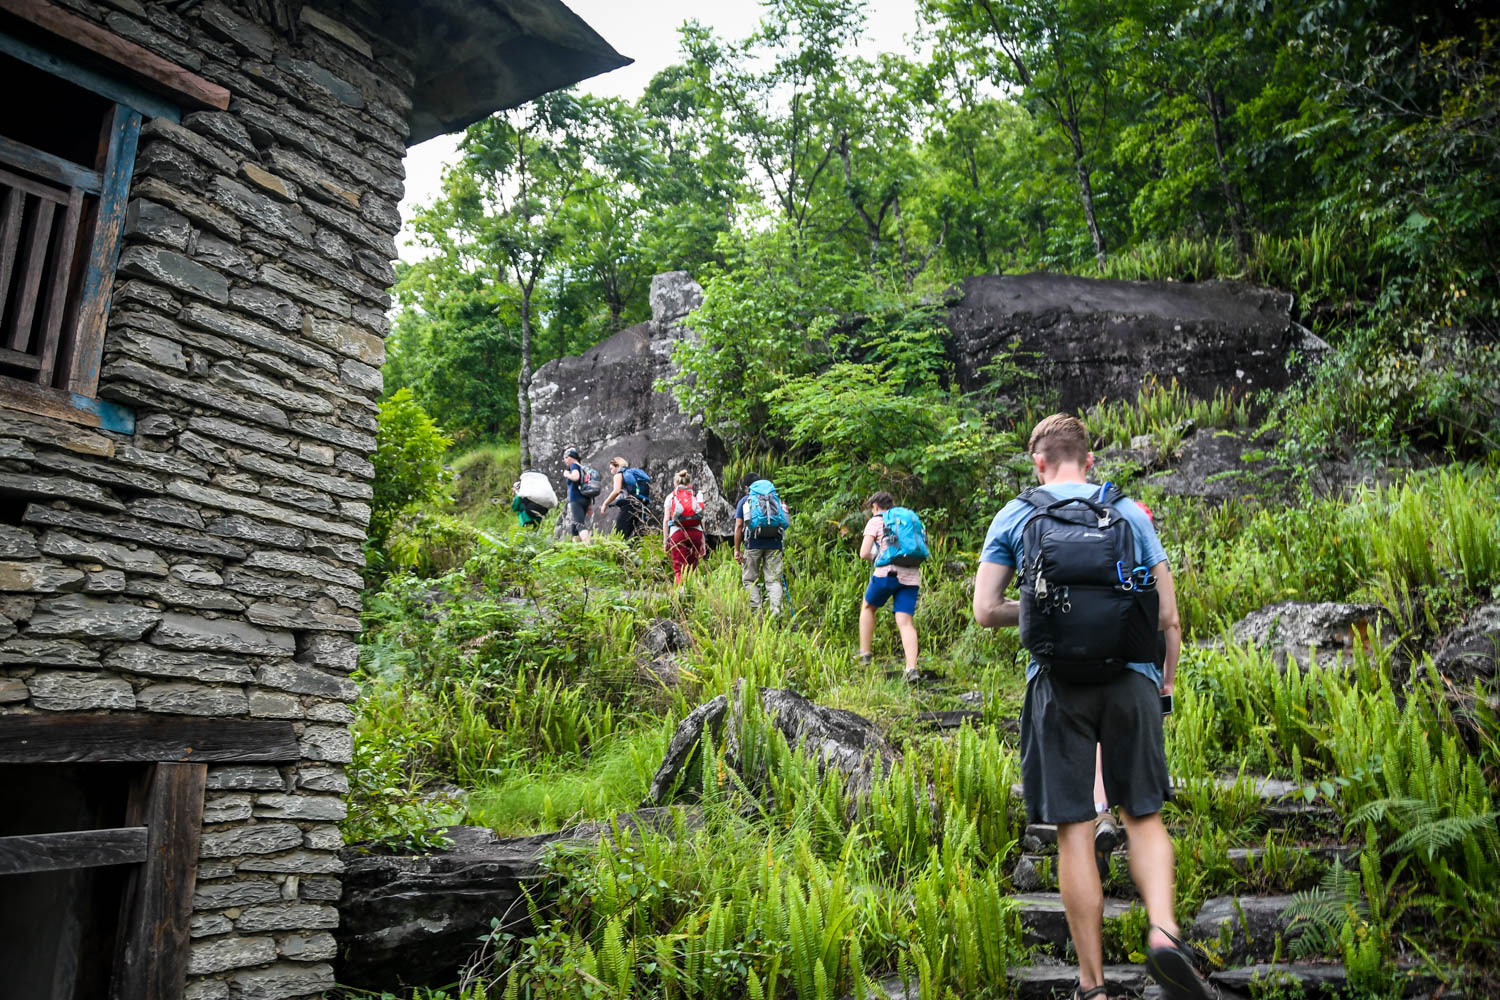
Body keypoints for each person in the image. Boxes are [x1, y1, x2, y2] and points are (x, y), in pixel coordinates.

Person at [972, 414, 1206, 1000]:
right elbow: (1169, 616)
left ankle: (1092, 985)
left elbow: (984, 608)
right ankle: (1162, 931)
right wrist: (1165, 684)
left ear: (1039, 462)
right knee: (1143, 815)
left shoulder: (1017, 514)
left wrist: (1039, 612)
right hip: (1132, 679)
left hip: (1056, 686)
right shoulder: (1129, 513)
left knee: (1075, 831)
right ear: (1090, 460)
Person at [859, 491, 922, 681]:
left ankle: (865, 655)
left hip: (887, 574)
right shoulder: (908, 520)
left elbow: (864, 553)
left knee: (868, 607)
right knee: (905, 622)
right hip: (911, 575)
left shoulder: (877, 521)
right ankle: (911, 669)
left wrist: (877, 558)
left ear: (875, 507)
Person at [733, 475, 789, 616]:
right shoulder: (774, 498)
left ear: (747, 488)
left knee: (750, 580)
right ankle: (776, 613)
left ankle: (757, 615)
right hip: (774, 543)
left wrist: (737, 550)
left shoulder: (745, 501)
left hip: (753, 543)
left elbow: (739, 526)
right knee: (774, 580)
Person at [663, 469, 707, 584]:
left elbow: (667, 519)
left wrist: (666, 541)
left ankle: (681, 596)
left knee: (679, 569)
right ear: (689, 484)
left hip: (678, 534)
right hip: (695, 535)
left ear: (675, 483)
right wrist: (703, 541)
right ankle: (693, 595)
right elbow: (702, 520)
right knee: (692, 568)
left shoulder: (671, 497)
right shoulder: (695, 497)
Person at [599, 456, 653, 538]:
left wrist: (605, 504)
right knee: (629, 534)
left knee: (618, 535)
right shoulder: (631, 473)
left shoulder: (619, 474)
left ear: (617, 466)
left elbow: (616, 491)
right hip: (640, 505)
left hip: (628, 507)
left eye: (611, 468)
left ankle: (618, 550)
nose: (611, 471)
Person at [561, 447, 592, 543]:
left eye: (567, 457)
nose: (565, 460)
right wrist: (589, 505)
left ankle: (591, 549)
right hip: (585, 499)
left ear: (572, 457)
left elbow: (576, 477)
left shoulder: (574, 465)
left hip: (576, 499)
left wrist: (566, 474)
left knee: (579, 525)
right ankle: (578, 552)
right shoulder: (583, 468)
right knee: (574, 528)